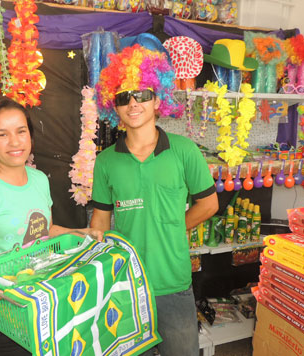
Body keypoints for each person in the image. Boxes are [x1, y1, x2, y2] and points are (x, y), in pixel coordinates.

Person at [0, 96, 102, 356]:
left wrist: (80, 233)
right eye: (2, 134)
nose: (15, 142)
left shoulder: (39, 179)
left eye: (21, 131)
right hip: (3, 317)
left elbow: (44, 231)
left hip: (44, 306)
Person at [90, 44, 219, 356]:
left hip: (173, 283)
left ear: (158, 98)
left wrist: (175, 226)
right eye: (123, 97)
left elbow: (209, 204)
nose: (133, 103)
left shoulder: (184, 150)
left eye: (143, 94)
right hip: (125, 285)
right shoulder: (106, 161)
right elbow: (100, 221)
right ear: (113, 106)